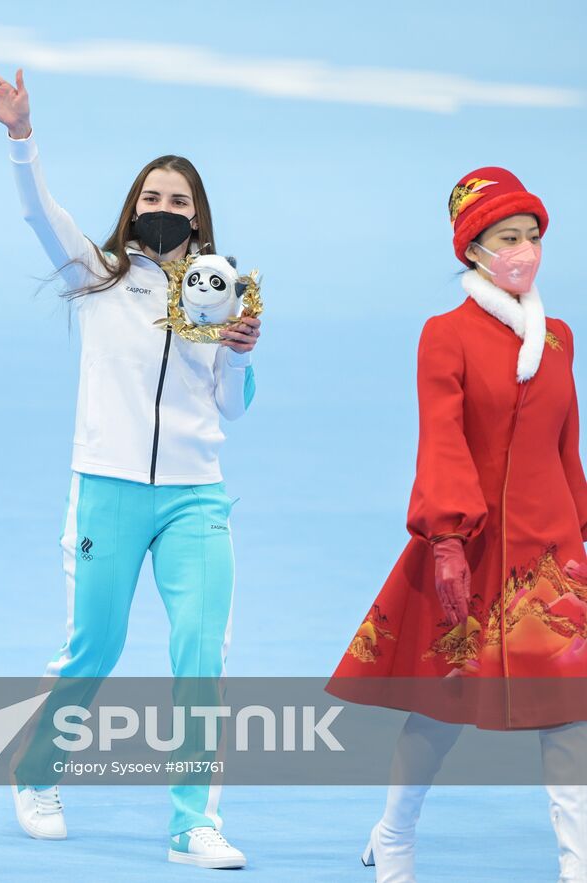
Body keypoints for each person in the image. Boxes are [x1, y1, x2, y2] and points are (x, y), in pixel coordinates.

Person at [0, 63, 261, 868]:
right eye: (153, 196)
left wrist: (239, 350)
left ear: (199, 217)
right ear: (134, 207)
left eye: (180, 200)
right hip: (109, 489)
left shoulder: (221, 290)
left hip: (196, 497)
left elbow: (232, 407)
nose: (165, 207)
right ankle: (35, 771)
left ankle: (193, 823)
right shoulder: (98, 274)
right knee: (95, 648)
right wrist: (21, 135)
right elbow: (38, 210)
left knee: (201, 654)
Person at [329, 169, 587, 882]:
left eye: (533, 236)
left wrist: (581, 528)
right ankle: (394, 835)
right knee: (442, 708)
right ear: (473, 249)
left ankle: (577, 866)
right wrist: (445, 538)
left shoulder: (559, 339)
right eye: (508, 237)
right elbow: (440, 439)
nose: (525, 251)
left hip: (550, 559)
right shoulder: (445, 336)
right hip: (470, 549)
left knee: (569, 712)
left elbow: (567, 446)